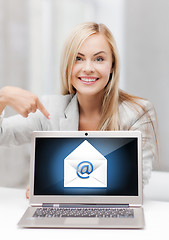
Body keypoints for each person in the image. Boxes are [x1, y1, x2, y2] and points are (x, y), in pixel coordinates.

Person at [0, 22, 158, 198]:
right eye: (78, 58)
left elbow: (135, 184)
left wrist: (53, 186)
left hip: (112, 216)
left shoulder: (138, 113)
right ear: (68, 65)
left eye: (99, 59)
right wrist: (2, 98)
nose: (88, 68)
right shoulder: (50, 109)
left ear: (112, 65)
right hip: (59, 216)